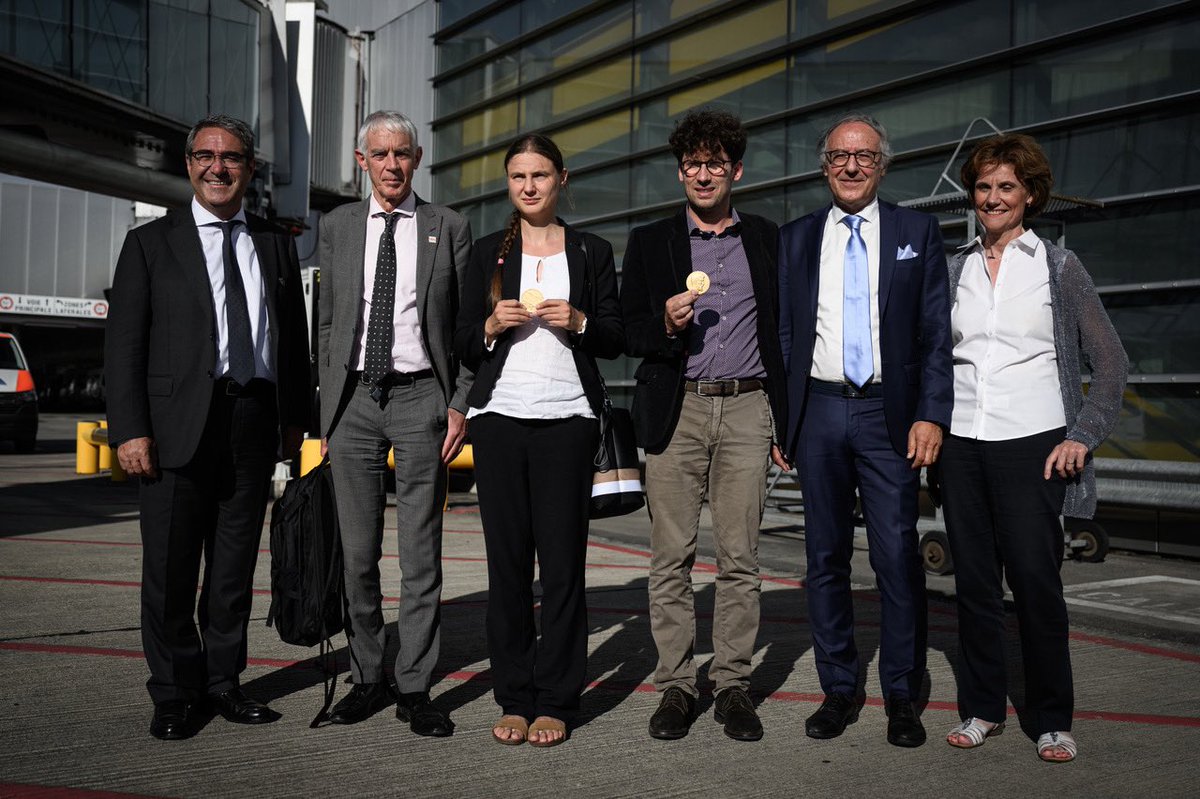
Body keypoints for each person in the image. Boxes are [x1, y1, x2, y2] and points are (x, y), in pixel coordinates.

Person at [105, 114, 312, 740]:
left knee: (232, 569)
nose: (217, 168)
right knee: (170, 571)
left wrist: (296, 423)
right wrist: (130, 429)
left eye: (231, 158)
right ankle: (174, 693)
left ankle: (224, 683)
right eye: (205, 156)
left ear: (250, 169)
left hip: (252, 420)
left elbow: (292, 340)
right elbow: (124, 346)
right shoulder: (150, 243)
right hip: (173, 428)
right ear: (189, 164)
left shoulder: (274, 242)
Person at [940, 133, 1127, 763]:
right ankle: (982, 708)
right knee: (973, 586)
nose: (992, 198)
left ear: (1030, 196)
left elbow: (1111, 363)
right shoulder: (955, 267)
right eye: (983, 186)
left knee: (1036, 585)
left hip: (1034, 446)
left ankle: (1051, 717)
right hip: (962, 444)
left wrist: (1082, 436)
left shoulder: (1059, 268)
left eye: (1006, 187)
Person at [777, 112, 953, 747]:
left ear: (882, 165)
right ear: (824, 166)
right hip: (820, 412)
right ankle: (839, 688)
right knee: (823, 557)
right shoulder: (796, 238)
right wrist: (785, 420)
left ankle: (902, 695)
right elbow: (785, 335)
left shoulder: (916, 231)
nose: (851, 166)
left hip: (889, 416)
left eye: (865, 156)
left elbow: (935, 333)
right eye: (839, 157)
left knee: (896, 557)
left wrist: (931, 413)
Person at [620, 109, 788, 742]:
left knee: (740, 557)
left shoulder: (766, 238)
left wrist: (785, 422)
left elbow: (784, 331)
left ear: (735, 170)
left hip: (747, 405)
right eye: (692, 164)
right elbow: (626, 332)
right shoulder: (651, 241)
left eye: (715, 163)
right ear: (680, 172)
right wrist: (665, 325)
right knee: (671, 558)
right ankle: (676, 686)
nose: (703, 174)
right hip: (679, 406)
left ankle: (734, 685)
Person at [454, 133, 623, 748]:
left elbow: (615, 338)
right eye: (518, 176)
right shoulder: (486, 253)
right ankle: (514, 696)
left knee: (562, 570)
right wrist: (489, 325)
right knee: (507, 570)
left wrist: (579, 321)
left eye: (540, 175)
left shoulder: (592, 250)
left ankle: (556, 699)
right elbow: (459, 341)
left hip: (568, 421)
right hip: (498, 420)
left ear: (561, 179)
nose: (529, 186)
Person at [316, 110, 472, 736]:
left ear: (417, 158)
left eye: (401, 153)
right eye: (379, 154)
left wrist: (459, 402)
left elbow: (464, 328)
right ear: (362, 161)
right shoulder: (337, 225)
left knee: (420, 557)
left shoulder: (448, 226)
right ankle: (366, 675)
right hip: (353, 401)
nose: (391, 165)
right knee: (357, 556)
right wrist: (326, 413)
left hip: (420, 399)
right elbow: (327, 324)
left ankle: (413, 685)